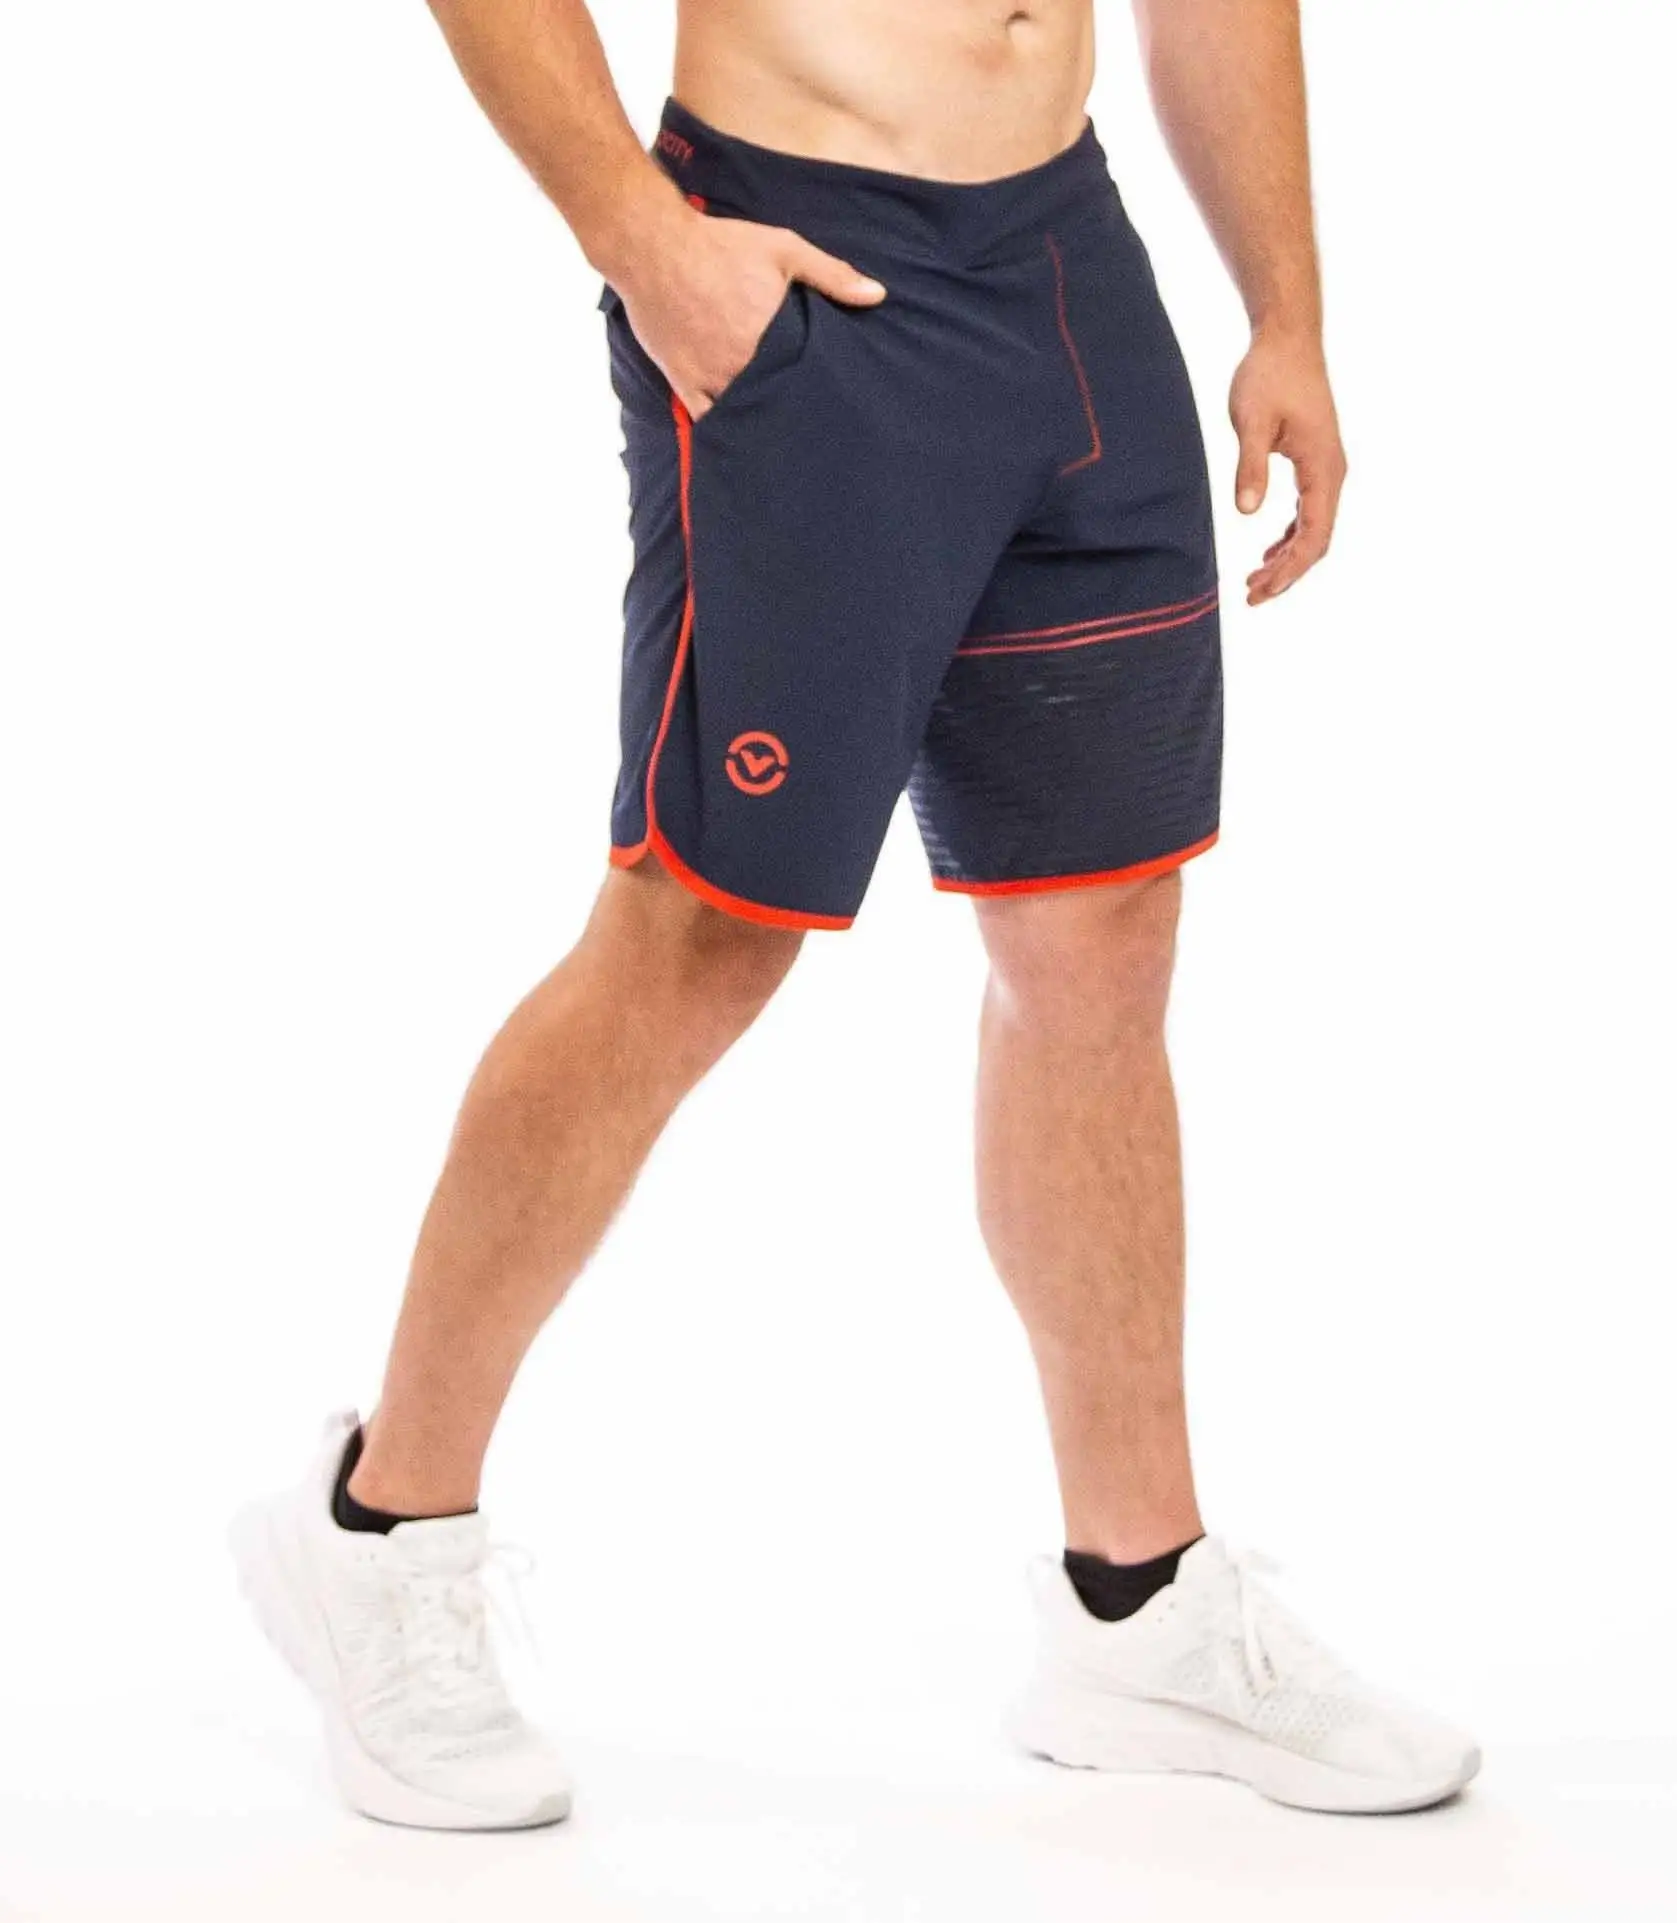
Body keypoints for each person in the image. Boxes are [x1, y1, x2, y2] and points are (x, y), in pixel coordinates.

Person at [232, 0, 1479, 1830]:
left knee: (1101, 935)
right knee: (697, 935)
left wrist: (1286, 310)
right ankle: (381, 1527)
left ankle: (1135, 1602)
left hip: (1067, 260)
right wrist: (641, 239)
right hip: (799, 263)